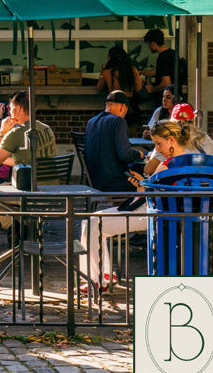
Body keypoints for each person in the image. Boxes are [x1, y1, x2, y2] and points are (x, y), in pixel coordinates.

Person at [80, 119, 205, 291]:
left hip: (152, 212)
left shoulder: (168, 164)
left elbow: (151, 196)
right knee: (93, 223)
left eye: (158, 143)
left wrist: (141, 186)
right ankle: (103, 275)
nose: (157, 149)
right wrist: (142, 185)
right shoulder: (191, 160)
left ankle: (97, 278)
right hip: (169, 213)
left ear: (171, 139)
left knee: (92, 224)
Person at [83, 91, 143, 191]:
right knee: (145, 180)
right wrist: (139, 154)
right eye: (126, 111)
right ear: (122, 107)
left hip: (93, 182)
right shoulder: (118, 121)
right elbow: (124, 154)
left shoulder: (91, 122)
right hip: (113, 183)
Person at [142, 103, 213, 175]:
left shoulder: (168, 143)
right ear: (193, 121)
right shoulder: (204, 137)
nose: (158, 147)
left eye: (158, 144)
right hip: (207, 182)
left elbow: (148, 170)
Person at [0, 91, 56, 168]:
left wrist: (2, 133)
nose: (9, 111)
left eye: (11, 107)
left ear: (18, 108)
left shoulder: (15, 134)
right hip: (49, 175)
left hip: (28, 175)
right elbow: (29, 160)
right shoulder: (47, 128)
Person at [96, 46, 144, 126]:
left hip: (114, 103)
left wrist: (102, 73)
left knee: (115, 129)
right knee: (131, 129)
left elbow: (99, 88)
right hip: (130, 103)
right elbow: (139, 88)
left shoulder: (106, 72)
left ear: (111, 59)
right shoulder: (132, 70)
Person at [143, 29, 177, 101]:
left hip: (166, 99)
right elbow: (162, 72)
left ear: (153, 44)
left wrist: (152, 89)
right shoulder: (172, 53)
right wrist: (142, 72)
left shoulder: (162, 58)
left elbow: (166, 83)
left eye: (148, 45)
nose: (148, 47)